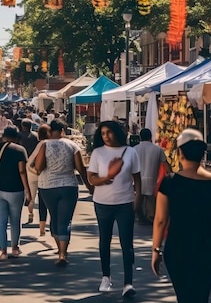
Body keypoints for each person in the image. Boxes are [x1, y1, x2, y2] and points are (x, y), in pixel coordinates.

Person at [152, 128, 211, 303]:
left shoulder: (170, 183)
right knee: (201, 297)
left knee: (184, 296)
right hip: (207, 249)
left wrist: (156, 249)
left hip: (178, 248)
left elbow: (161, 220)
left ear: (180, 153)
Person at [87, 121, 141, 297]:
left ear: (117, 132)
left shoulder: (131, 152)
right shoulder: (97, 153)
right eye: (103, 133)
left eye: (109, 132)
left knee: (127, 244)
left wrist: (137, 201)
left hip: (125, 202)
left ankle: (128, 283)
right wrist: (106, 178)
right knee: (105, 241)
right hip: (102, 203)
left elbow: (137, 180)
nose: (106, 136)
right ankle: (105, 277)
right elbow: (91, 179)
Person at [34, 118, 93, 266]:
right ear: (62, 131)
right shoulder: (72, 145)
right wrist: (89, 186)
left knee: (54, 217)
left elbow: (39, 168)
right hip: (69, 186)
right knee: (65, 220)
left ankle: (59, 248)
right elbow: (81, 168)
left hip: (47, 187)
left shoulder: (44, 145)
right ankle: (63, 253)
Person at [0, 126, 31, 260]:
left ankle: (3, 251)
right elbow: (22, 171)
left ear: (3, 135)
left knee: (0, 221)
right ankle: (15, 248)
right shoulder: (20, 150)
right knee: (15, 220)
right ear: (16, 137)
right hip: (15, 190)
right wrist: (28, 191)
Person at [134, 128, 170, 224]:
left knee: (139, 198)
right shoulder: (157, 149)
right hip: (152, 179)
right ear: (151, 137)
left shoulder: (134, 149)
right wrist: (171, 175)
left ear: (140, 137)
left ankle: (140, 216)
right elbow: (167, 165)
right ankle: (151, 217)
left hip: (138, 180)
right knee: (151, 200)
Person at [26, 124, 51, 236]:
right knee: (43, 201)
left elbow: (29, 161)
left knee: (32, 196)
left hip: (32, 174)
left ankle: (30, 213)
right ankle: (43, 227)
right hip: (42, 175)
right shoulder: (46, 144)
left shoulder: (39, 144)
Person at [18, 118, 40, 223]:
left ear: (23, 126)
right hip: (34, 164)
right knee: (33, 189)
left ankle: (27, 207)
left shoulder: (19, 136)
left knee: (24, 185)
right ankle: (31, 212)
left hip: (21, 163)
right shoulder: (36, 136)